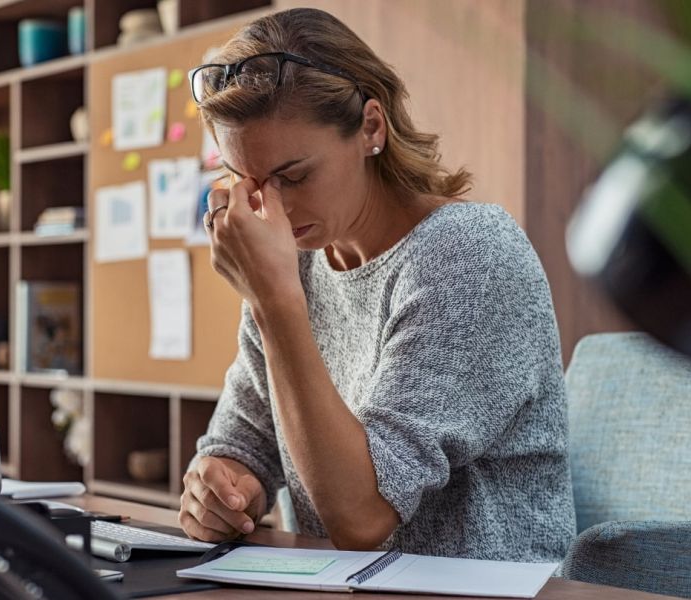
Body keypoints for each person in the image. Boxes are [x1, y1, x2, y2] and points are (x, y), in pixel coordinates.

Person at [180, 7, 575, 561]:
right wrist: (220, 486)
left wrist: (274, 301)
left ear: (371, 127)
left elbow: (362, 516)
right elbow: (244, 439)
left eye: (294, 176)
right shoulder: (296, 264)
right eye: (248, 181)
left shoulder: (468, 255)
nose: (272, 208)